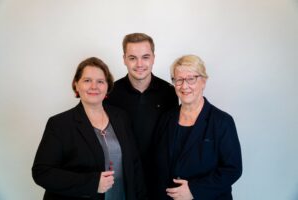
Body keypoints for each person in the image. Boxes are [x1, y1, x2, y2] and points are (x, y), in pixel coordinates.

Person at [32, 57, 146, 200]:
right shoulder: (60, 124)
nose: (94, 86)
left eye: (100, 81)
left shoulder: (121, 117)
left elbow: (134, 164)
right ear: (76, 85)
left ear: (107, 87)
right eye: (87, 80)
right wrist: (91, 183)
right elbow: (42, 172)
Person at [153, 55, 242, 200]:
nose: (184, 86)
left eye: (191, 79)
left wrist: (194, 190)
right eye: (179, 80)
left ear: (203, 81)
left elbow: (232, 169)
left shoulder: (222, 122)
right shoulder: (166, 118)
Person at [104, 33, 179, 193]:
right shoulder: (110, 93)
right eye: (132, 58)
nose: (139, 64)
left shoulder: (170, 93)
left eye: (145, 57)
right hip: (123, 177)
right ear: (124, 59)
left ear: (153, 58)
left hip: (160, 178)